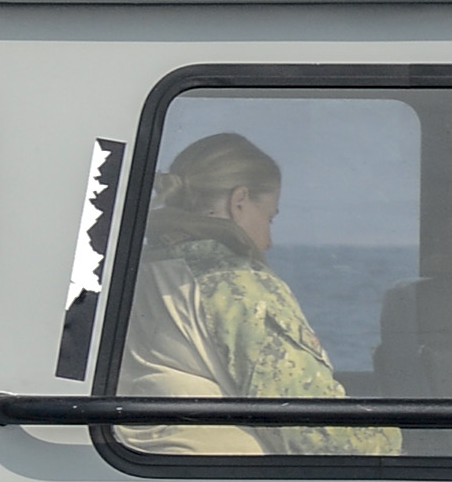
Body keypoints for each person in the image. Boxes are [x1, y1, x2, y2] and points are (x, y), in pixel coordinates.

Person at [115, 131, 396, 458]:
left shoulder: (131, 275)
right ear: (239, 202)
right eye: (269, 218)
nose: (269, 241)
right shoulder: (237, 285)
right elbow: (316, 433)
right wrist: (399, 442)